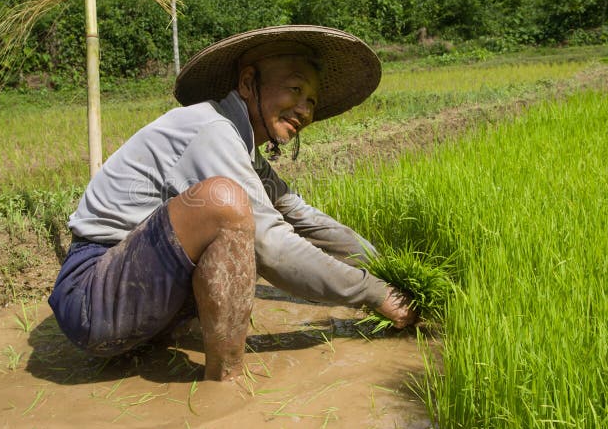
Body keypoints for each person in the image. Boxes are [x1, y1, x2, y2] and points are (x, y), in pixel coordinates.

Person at [48, 25, 417, 381]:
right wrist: (374, 293)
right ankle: (227, 386)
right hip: (92, 297)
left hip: (138, 292)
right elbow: (271, 246)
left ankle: (162, 346)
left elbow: (301, 216)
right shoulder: (212, 130)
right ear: (246, 83)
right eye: (294, 89)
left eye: (311, 101)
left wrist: (386, 269)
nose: (304, 109)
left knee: (241, 208)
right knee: (225, 204)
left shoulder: (241, 145)